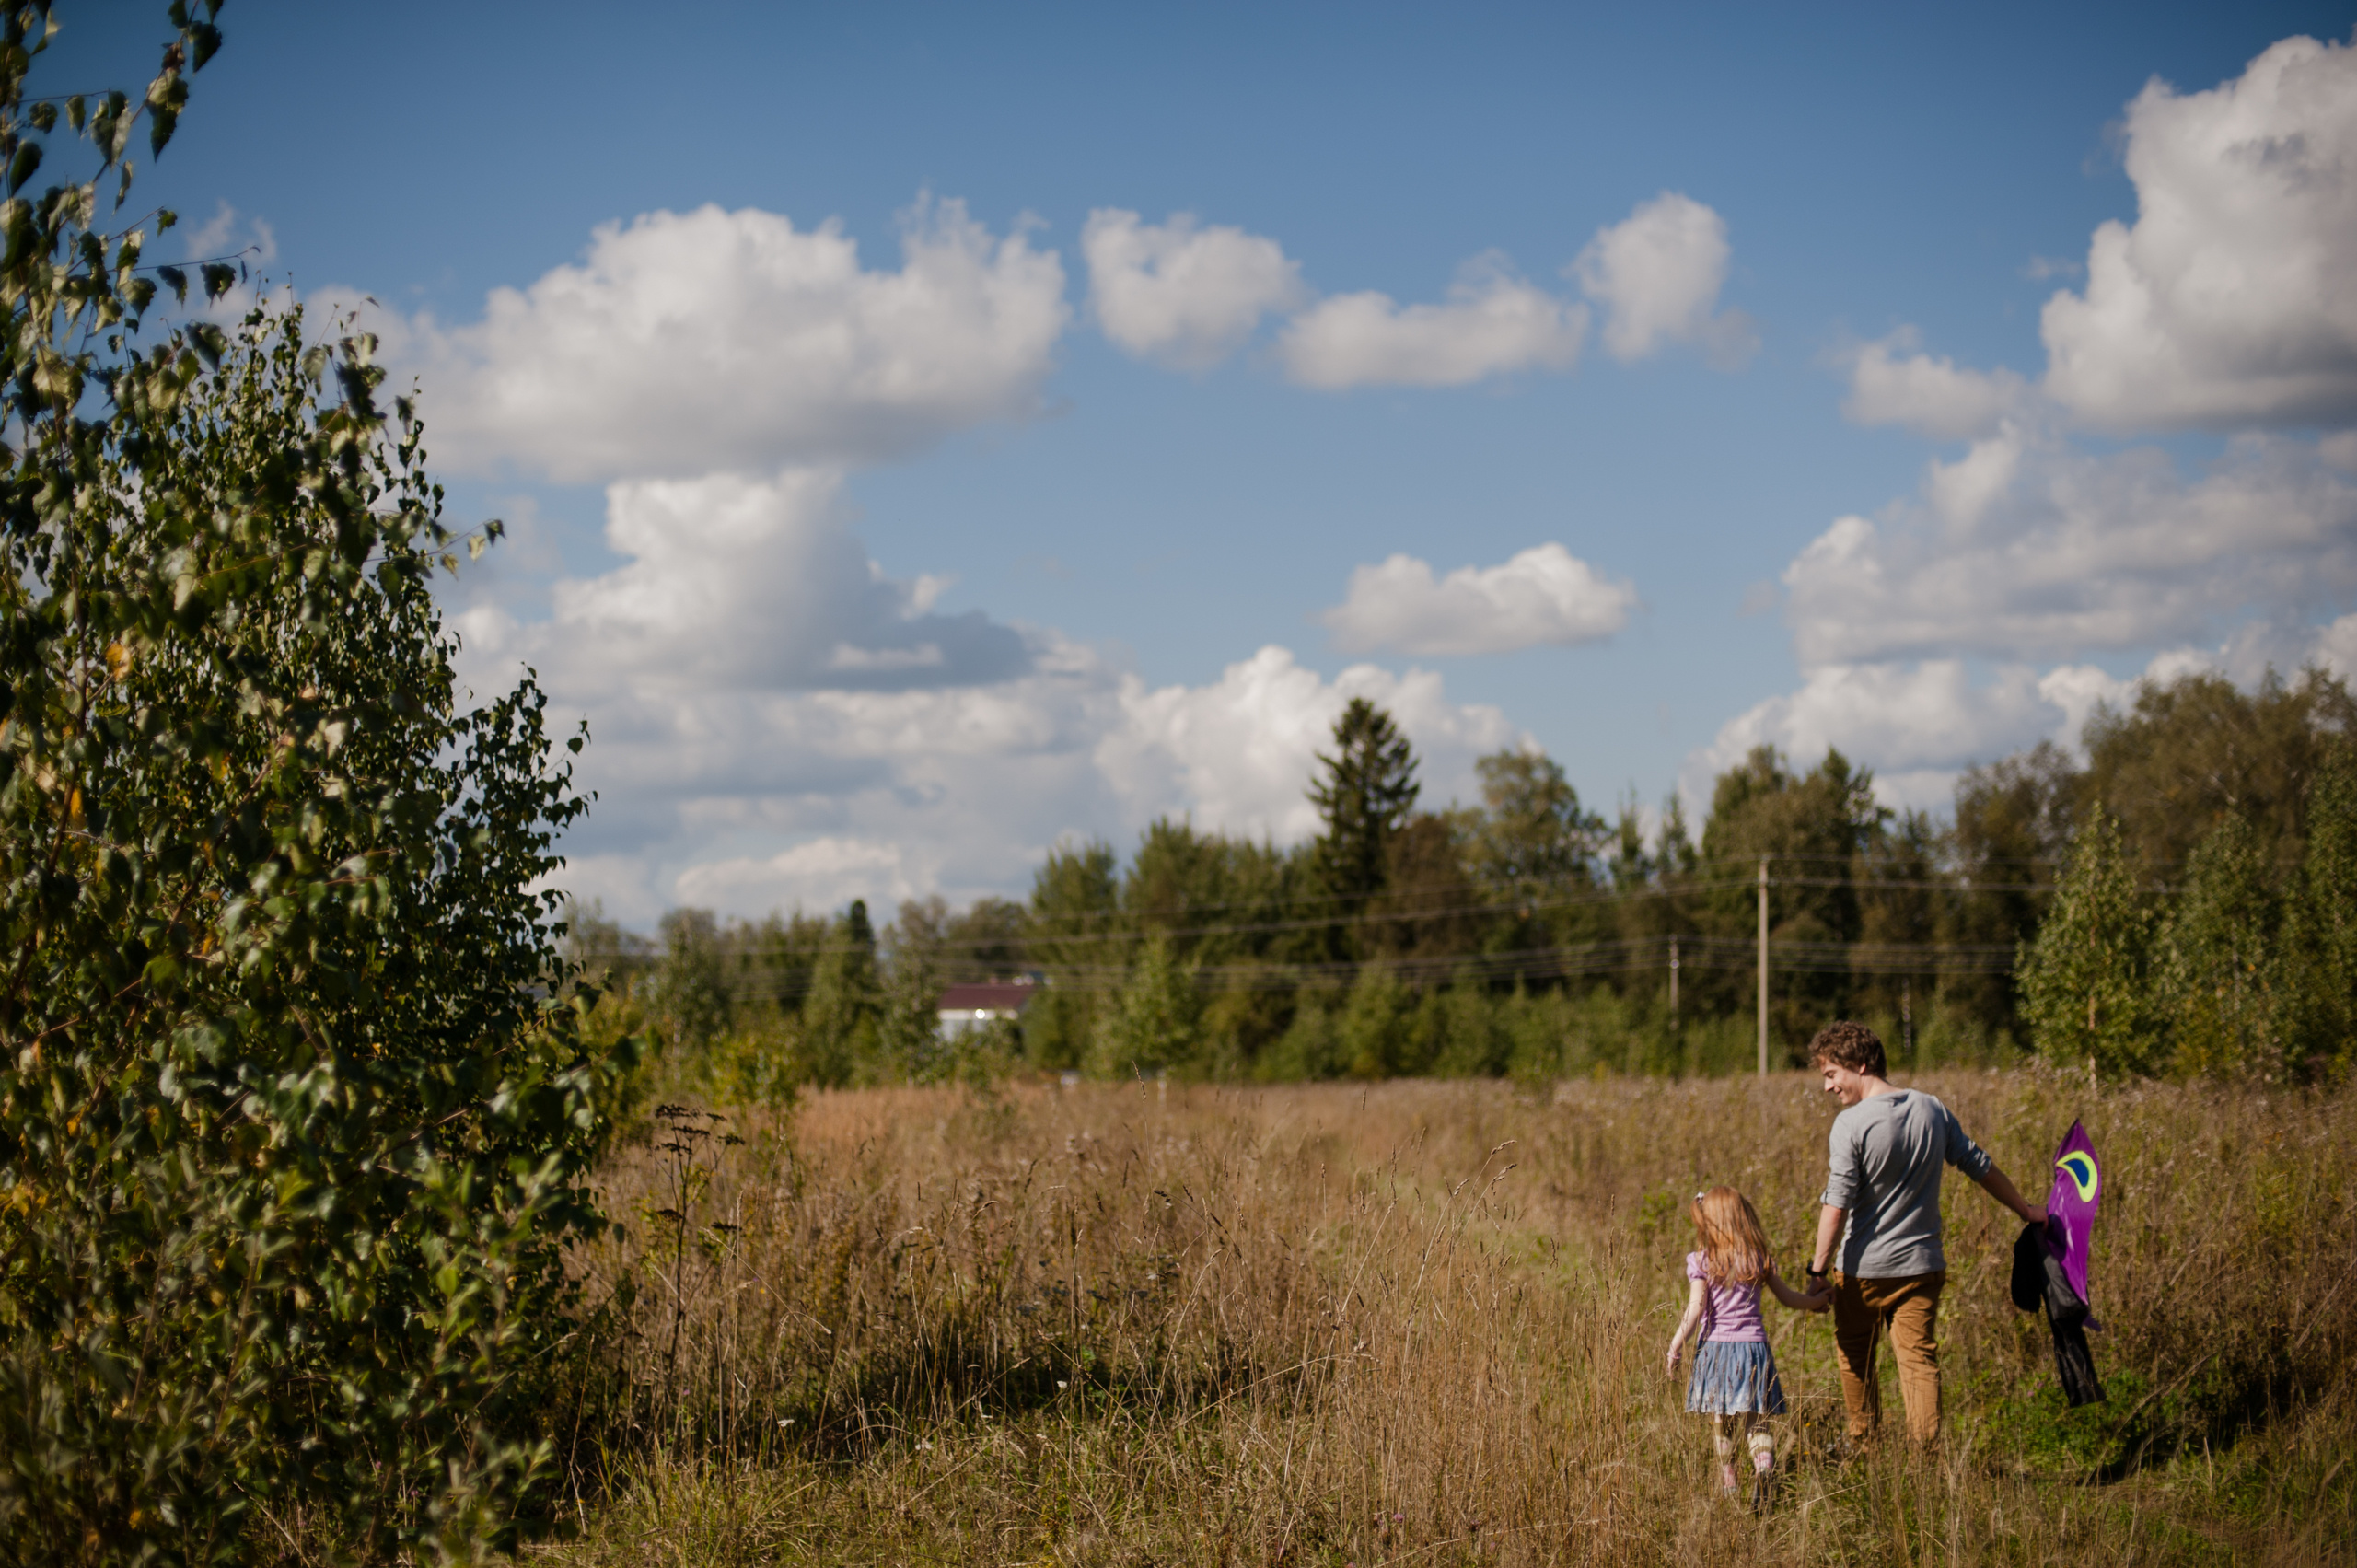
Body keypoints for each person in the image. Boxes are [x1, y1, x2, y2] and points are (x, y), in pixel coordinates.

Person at [1803, 1020, 2047, 1444]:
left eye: (1831, 1075)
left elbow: (1836, 1203)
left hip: (1862, 1272)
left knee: (1856, 1359)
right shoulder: (1930, 1107)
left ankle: (1863, 1443)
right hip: (1921, 1267)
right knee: (1918, 1363)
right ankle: (1924, 1461)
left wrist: (1817, 1269)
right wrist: (2025, 1209)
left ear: (1860, 1065)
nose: (1827, 1087)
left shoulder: (1850, 1124)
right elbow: (1979, 1165)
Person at [1666, 1186, 1829, 1507]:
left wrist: (1675, 1346)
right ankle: (1764, 1468)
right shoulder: (1758, 1258)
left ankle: (1729, 1481)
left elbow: (1696, 1308)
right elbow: (1787, 1298)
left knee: (1721, 1421)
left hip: (1716, 1351)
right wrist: (1815, 1302)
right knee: (1758, 1419)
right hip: (1754, 1349)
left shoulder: (1703, 1260)